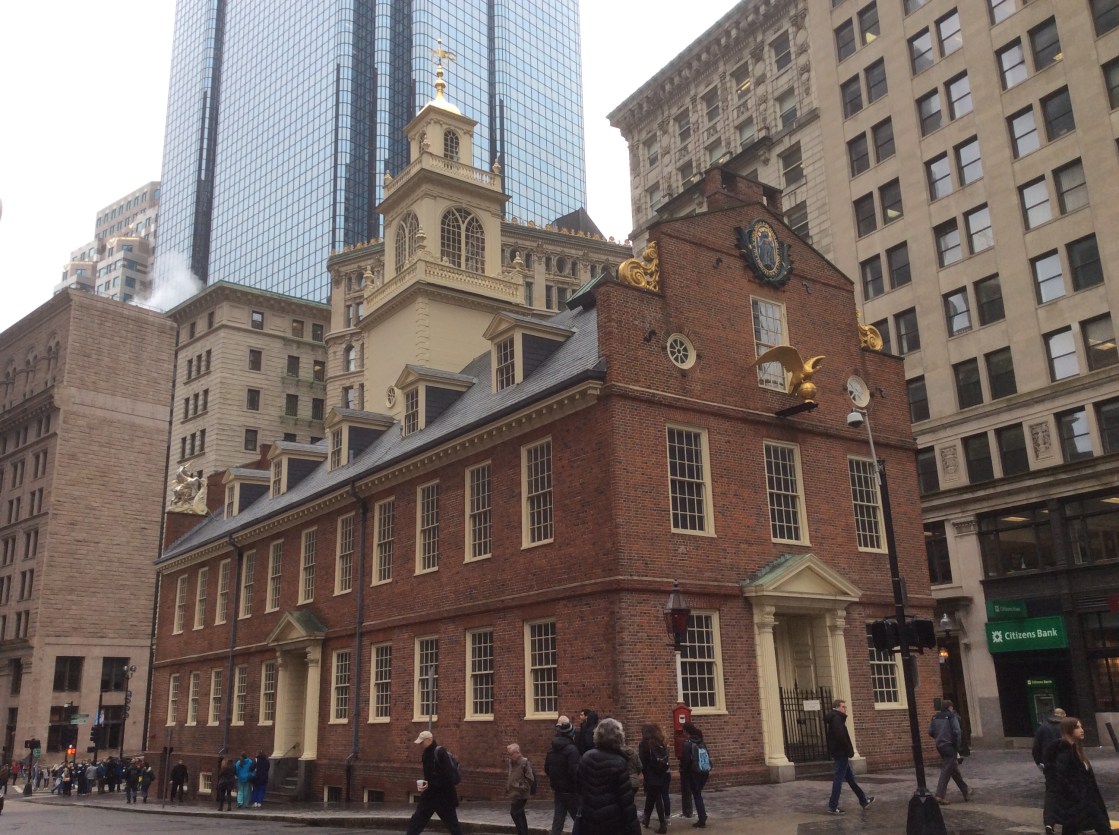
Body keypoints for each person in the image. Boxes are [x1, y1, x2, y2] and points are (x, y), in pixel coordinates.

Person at [1047, 716, 1113, 835]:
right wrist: (1076, 794)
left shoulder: (1076, 749)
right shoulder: (1065, 752)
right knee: (1101, 828)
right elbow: (1061, 779)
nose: (1082, 730)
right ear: (1068, 730)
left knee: (1101, 827)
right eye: (1077, 727)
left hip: (1086, 801)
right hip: (1078, 803)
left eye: (1081, 726)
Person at [576, 717, 641, 835]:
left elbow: (579, 786)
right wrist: (635, 829)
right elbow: (626, 802)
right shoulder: (620, 762)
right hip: (613, 822)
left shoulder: (586, 757)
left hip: (589, 820)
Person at [405, 730, 463, 835]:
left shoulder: (440, 753)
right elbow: (430, 775)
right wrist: (426, 784)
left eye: (422, 742)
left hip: (444, 797)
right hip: (430, 796)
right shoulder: (425, 754)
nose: (420, 745)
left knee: (453, 825)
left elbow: (448, 777)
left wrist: (430, 784)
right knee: (416, 821)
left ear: (429, 740)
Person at [824, 698, 873, 815]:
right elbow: (841, 737)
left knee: (850, 779)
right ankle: (832, 805)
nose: (845, 708)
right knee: (838, 779)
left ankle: (863, 800)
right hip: (841, 753)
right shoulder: (837, 719)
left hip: (840, 753)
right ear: (837, 708)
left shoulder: (836, 719)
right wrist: (849, 750)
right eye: (843, 706)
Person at [928, 699, 972, 804]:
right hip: (950, 746)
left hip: (940, 746)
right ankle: (939, 795)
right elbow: (957, 732)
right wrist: (957, 746)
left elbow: (930, 732)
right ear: (950, 707)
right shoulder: (951, 716)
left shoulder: (935, 717)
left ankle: (966, 790)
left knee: (952, 769)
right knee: (946, 770)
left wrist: (938, 737)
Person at [545, 715, 581, 835]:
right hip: (571, 792)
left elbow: (547, 769)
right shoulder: (572, 750)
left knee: (558, 822)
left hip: (558, 791)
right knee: (580, 820)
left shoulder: (551, 749)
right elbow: (574, 772)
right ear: (571, 733)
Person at [1033, 707, 1066, 834]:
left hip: (1049, 766)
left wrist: (1040, 764)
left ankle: (1049, 822)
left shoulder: (1042, 727)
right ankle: (1071, 820)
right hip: (1065, 766)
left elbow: (1035, 749)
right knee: (1070, 792)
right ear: (1063, 715)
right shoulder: (1065, 727)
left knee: (1051, 794)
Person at [638, 723, 671, 834]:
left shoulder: (644, 744)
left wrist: (645, 774)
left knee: (656, 798)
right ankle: (646, 820)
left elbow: (642, 761)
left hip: (651, 774)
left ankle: (662, 824)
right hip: (662, 773)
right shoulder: (660, 742)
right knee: (651, 796)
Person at [679, 722, 712, 828]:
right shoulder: (701, 741)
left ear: (686, 731)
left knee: (697, 795)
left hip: (694, 772)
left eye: (683, 730)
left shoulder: (688, 743)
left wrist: (683, 770)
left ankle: (702, 818)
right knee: (698, 793)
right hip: (704, 770)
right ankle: (702, 816)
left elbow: (687, 761)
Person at [506, 743, 534, 835]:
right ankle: (523, 832)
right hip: (514, 792)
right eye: (508, 754)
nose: (509, 756)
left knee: (514, 813)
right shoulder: (511, 762)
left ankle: (522, 832)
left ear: (517, 753)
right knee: (520, 813)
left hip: (521, 794)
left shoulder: (524, 762)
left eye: (511, 754)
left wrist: (521, 787)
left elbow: (530, 778)